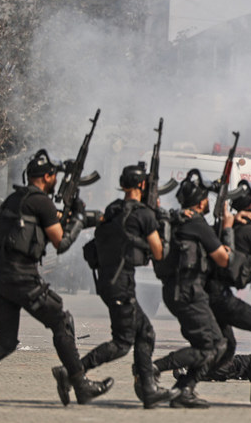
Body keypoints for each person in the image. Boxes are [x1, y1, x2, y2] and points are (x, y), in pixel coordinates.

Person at [0, 149, 112, 406]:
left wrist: (78, 218)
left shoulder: (15, 199)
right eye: (53, 175)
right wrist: (77, 218)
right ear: (46, 176)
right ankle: (79, 383)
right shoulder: (41, 202)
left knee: (5, 341)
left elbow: (45, 226)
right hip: (21, 278)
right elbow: (60, 242)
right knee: (62, 321)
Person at [52, 163, 178, 408]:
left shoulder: (113, 209)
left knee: (146, 333)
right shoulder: (143, 215)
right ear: (142, 186)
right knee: (122, 342)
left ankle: (148, 388)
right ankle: (72, 372)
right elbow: (159, 252)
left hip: (109, 282)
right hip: (121, 285)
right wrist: (161, 220)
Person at [150, 169, 230, 409]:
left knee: (210, 343)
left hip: (176, 291)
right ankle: (155, 368)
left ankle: (184, 390)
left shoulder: (176, 220)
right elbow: (223, 259)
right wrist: (227, 228)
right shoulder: (197, 224)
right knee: (216, 345)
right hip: (188, 292)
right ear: (201, 200)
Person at [205, 180, 251, 404]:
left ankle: (192, 377)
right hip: (220, 296)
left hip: (209, 292)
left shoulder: (225, 225)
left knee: (226, 346)